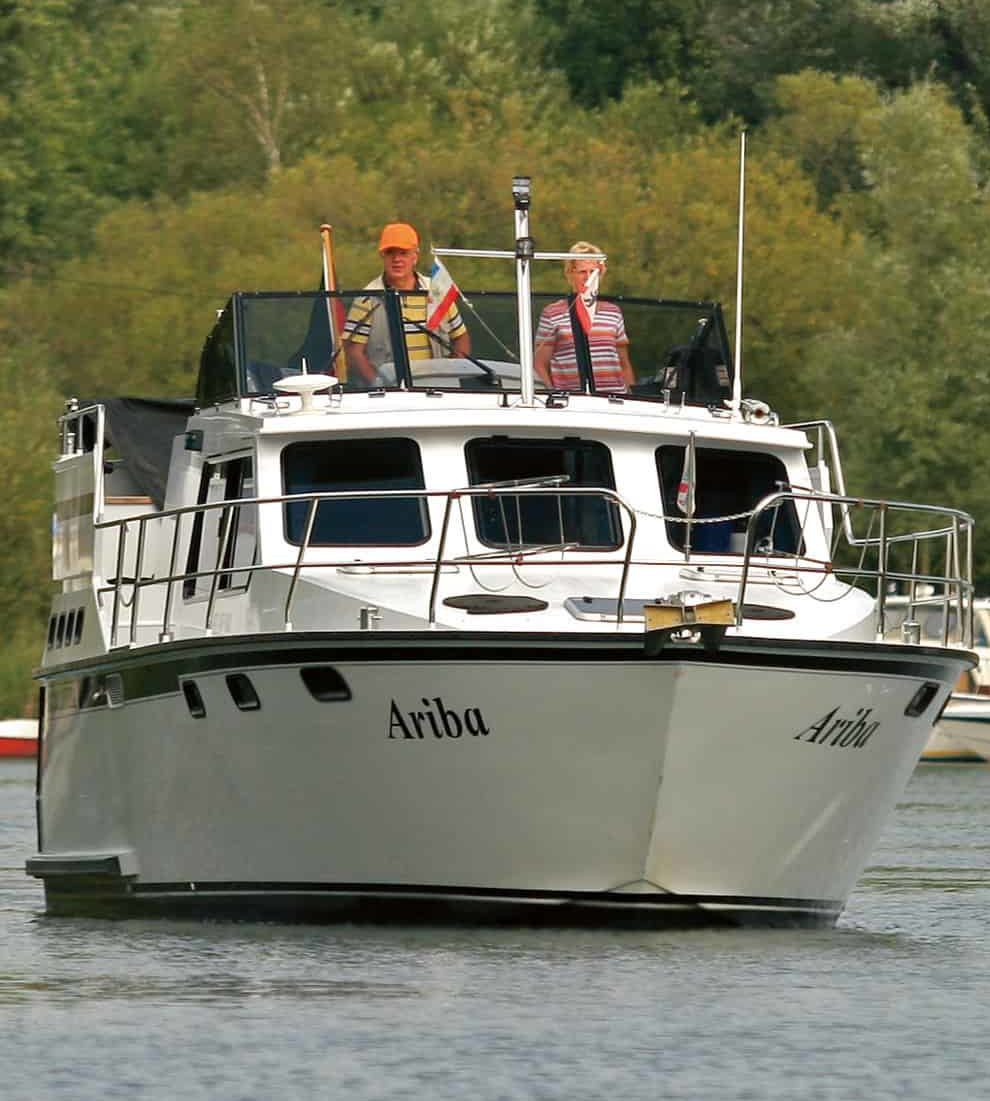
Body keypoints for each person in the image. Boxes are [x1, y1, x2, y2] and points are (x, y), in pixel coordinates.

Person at [343, 222, 470, 384]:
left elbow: (461, 337)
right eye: (390, 253)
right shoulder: (367, 297)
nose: (397, 259)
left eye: (403, 253)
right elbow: (354, 352)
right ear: (382, 256)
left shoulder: (436, 291)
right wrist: (379, 384)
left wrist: (450, 376)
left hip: (437, 390)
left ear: (415, 257)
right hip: (391, 393)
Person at [534, 241, 634, 393]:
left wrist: (632, 397)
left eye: (592, 272)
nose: (588, 277)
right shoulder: (552, 313)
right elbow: (540, 364)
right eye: (582, 272)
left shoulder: (613, 312)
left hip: (614, 399)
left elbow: (624, 363)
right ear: (570, 273)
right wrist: (553, 393)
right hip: (572, 402)